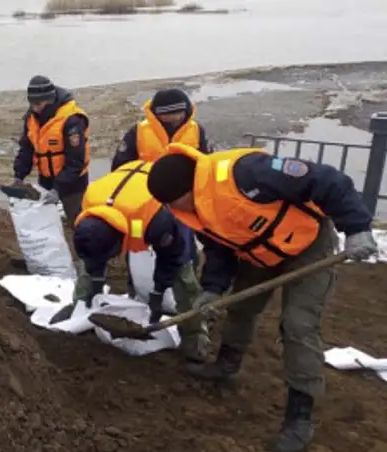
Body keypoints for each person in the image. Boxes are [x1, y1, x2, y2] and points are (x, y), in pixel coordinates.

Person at [146, 142, 378, 452]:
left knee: (298, 325)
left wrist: (357, 228)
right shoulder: (194, 209)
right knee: (241, 306)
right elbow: (219, 249)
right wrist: (213, 289)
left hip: (308, 245)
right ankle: (227, 364)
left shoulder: (247, 173)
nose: (177, 211)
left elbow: (326, 180)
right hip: (259, 254)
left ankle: (300, 418)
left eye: (178, 202)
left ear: (191, 187)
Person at [54, 159, 208, 363]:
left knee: (182, 278)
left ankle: (194, 332)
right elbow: (91, 252)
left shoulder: (156, 219)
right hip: (123, 196)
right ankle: (80, 305)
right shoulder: (90, 207)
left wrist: (158, 294)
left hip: (160, 208)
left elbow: (170, 259)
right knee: (89, 264)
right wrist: (92, 288)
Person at [112, 88, 211, 274]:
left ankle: (187, 272)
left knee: (185, 239)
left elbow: (208, 164)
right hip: (146, 199)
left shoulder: (197, 131)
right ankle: (140, 278)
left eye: (178, 113)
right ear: (157, 114)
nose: (174, 118)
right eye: (168, 114)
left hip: (184, 198)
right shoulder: (139, 131)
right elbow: (120, 167)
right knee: (141, 241)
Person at [13, 75, 90, 230]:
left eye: (37, 104)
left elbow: (76, 161)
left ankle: (85, 253)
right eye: (31, 103)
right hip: (46, 180)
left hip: (73, 183)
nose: (34, 107)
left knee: (79, 224)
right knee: (46, 225)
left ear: (49, 100)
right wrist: (19, 176)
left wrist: (58, 189)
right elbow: (27, 149)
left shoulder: (71, 120)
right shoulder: (32, 118)